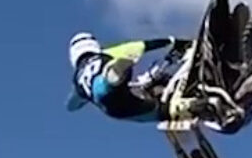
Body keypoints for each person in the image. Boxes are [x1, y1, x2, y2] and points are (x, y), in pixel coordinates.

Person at [65, 31, 224, 122]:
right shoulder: (107, 53)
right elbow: (144, 45)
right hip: (117, 82)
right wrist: (173, 41)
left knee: (158, 112)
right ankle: (114, 76)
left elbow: (72, 105)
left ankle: (186, 108)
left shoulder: (77, 80)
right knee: (137, 85)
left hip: (110, 106)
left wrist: (77, 102)